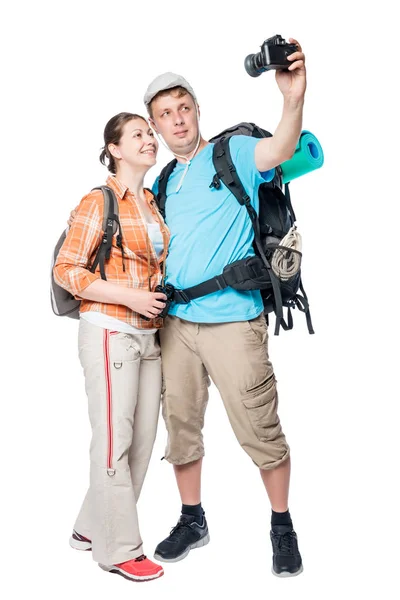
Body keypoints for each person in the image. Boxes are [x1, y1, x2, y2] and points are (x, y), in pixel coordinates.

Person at [142, 38, 307, 577]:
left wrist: (291, 100)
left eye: (183, 108)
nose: (177, 120)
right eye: (165, 115)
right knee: (181, 425)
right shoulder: (164, 180)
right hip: (176, 326)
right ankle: (193, 518)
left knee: (259, 426)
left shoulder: (230, 152)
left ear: (196, 110)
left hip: (233, 320)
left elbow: (279, 149)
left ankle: (281, 525)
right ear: (156, 128)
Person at [54, 112, 170, 582]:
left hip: (150, 336)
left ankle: (89, 528)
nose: (150, 139)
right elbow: (68, 270)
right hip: (109, 330)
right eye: (138, 134)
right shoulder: (98, 200)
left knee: (141, 444)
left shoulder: (151, 201)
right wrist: (131, 297)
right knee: (112, 443)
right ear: (115, 149)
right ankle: (118, 549)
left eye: (150, 133)